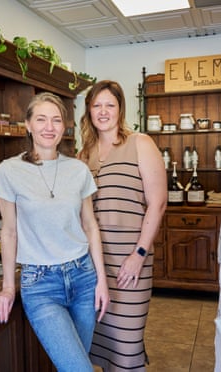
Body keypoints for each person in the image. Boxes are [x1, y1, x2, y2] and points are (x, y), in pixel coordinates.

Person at [0, 92, 110, 372]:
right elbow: (9, 231)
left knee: (77, 363)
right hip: (41, 285)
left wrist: (102, 280)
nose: (49, 127)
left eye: (56, 120)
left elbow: (90, 226)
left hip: (83, 278)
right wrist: (7, 288)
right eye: (41, 119)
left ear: (65, 126)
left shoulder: (78, 170)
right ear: (28, 125)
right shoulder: (9, 170)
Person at [78, 80, 167, 371]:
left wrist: (139, 254)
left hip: (130, 264)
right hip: (95, 266)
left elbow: (158, 202)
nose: (103, 111)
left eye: (110, 105)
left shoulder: (140, 143)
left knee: (126, 347)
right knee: (99, 345)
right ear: (89, 111)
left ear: (120, 109)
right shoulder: (83, 155)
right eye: (97, 105)